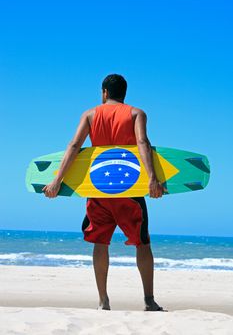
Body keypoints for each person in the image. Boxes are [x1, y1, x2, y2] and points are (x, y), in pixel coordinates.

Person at [42, 74, 167, 311]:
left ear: (104, 93)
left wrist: (57, 180)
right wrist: (152, 179)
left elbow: (74, 146)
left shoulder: (90, 114)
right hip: (129, 190)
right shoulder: (136, 113)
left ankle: (103, 301)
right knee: (142, 244)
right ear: (124, 94)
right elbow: (143, 143)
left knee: (100, 243)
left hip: (98, 190)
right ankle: (149, 301)